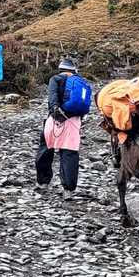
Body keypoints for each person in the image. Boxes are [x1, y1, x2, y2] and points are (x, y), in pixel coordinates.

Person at [36, 58, 86, 199]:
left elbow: (52, 98)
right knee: (70, 154)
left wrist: (55, 112)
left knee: (45, 148)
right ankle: (68, 190)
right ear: (73, 70)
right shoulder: (80, 81)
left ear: (61, 69)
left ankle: (43, 182)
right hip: (74, 122)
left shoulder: (56, 79)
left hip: (56, 120)